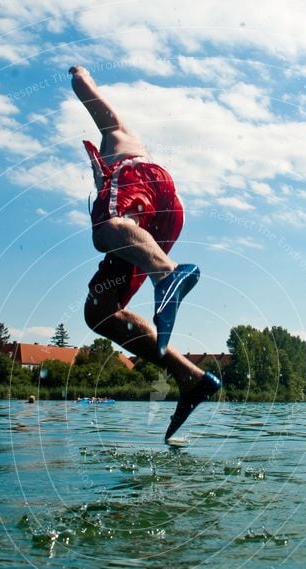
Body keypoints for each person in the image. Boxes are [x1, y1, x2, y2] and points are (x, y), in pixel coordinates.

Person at [70, 66, 221, 441]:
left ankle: (168, 274)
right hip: (161, 219)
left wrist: (77, 76)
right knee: (98, 310)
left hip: (145, 182)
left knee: (105, 229)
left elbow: (91, 95)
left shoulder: (117, 138)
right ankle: (192, 378)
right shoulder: (113, 175)